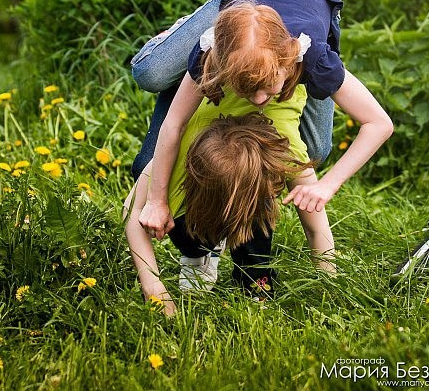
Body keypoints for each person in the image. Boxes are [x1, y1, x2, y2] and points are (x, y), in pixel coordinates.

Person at [132, 0, 393, 242]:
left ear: (288, 64)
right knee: (151, 75)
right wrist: (157, 200)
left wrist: (327, 185)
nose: (257, 102)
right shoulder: (212, 49)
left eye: (268, 88)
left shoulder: (315, 57)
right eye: (247, 89)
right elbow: (175, 123)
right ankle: (177, 35)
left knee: (315, 150)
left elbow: (379, 124)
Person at [124, 85, 335, 316]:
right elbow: (132, 210)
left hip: (282, 75)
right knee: (169, 210)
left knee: (256, 221)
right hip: (203, 81)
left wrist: (330, 287)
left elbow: (316, 229)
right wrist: (154, 288)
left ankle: (255, 283)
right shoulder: (178, 151)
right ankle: (199, 252)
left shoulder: (288, 151)